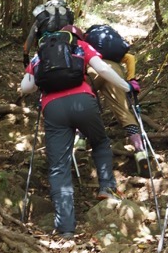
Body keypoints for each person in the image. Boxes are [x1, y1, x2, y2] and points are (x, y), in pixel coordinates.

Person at [20, 24, 139, 237]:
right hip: (84, 101)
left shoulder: (40, 55)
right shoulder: (81, 46)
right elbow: (103, 69)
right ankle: (107, 188)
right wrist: (127, 86)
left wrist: (44, 83)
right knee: (100, 142)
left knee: (58, 166)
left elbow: (26, 87)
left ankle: (65, 227)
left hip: (52, 108)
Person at [84, 34, 149, 176]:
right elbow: (130, 58)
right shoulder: (116, 52)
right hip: (114, 71)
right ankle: (140, 151)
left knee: (83, 102)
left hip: (92, 69)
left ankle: (80, 142)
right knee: (124, 111)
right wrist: (131, 79)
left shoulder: (85, 44)